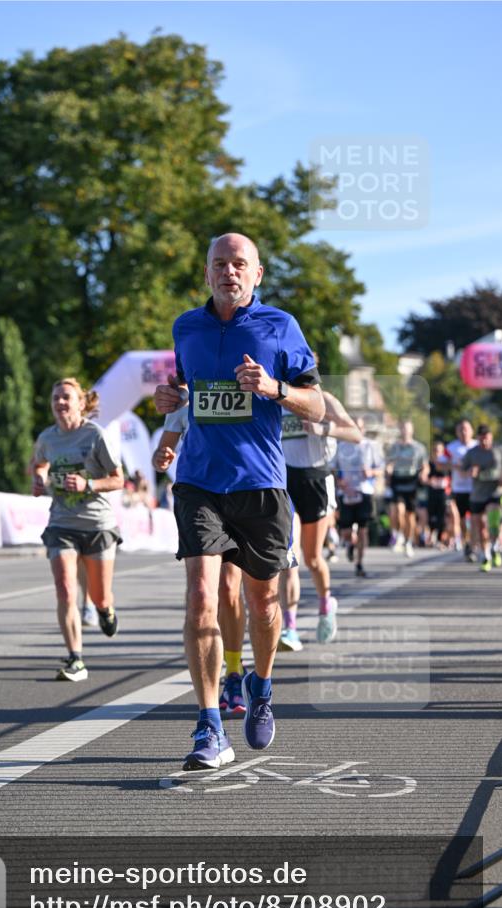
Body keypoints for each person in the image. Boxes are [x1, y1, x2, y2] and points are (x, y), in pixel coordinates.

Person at [155, 232, 324, 770]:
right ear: (206, 274)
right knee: (201, 597)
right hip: (200, 483)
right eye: (219, 264)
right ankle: (208, 727)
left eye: (239, 264)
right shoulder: (187, 327)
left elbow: (316, 405)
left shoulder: (281, 326)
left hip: (262, 486)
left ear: (257, 274)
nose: (229, 272)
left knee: (263, 605)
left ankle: (262, 684)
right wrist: (169, 405)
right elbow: (184, 394)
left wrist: (274, 388)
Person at [152, 404, 247, 717]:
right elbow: (163, 449)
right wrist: (162, 456)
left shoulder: (241, 381)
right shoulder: (183, 399)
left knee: (231, 590)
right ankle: (210, 710)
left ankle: (234, 670)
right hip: (199, 498)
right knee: (203, 594)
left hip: (243, 491)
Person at [32, 377, 124, 681]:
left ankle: (105, 610)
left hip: (97, 524)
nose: (60, 403)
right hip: (62, 522)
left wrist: (89, 484)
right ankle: (76, 659)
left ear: (81, 403)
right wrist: (39, 479)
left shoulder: (95, 435)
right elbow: (39, 464)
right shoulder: (48, 437)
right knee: (66, 589)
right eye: (55, 397)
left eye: (66, 397)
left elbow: (118, 479)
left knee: (99, 596)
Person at [278, 387, 361, 651]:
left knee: (313, 558)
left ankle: (326, 605)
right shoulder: (277, 396)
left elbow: (355, 434)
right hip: (285, 480)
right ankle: (289, 628)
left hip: (317, 480)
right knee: (289, 558)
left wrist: (325, 430)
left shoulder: (325, 400)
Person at [335, 417, 382, 578]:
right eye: (354, 427)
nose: (357, 430)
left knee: (363, 530)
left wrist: (371, 473)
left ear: (364, 429)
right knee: (347, 531)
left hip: (364, 491)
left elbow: (381, 468)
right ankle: (349, 544)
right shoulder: (341, 447)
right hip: (346, 493)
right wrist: (340, 482)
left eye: (360, 428)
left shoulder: (370, 446)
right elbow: (332, 469)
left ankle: (359, 563)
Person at [461, 424, 502, 572]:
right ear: (478, 438)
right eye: (482, 439)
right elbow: (462, 470)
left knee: (492, 522)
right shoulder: (472, 453)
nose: (484, 442)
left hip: (495, 493)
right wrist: (469, 472)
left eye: (487, 438)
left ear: (491, 437)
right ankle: (486, 556)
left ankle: (495, 547)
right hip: (477, 494)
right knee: (480, 526)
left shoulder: (499, 451)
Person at [385, 420, 429, 558]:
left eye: (407, 429)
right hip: (398, 480)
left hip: (412, 481)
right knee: (398, 510)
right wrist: (388, 470)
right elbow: (389, 463)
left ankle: (408, 541)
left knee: (410, 515)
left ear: (412, 431)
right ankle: (398, 535)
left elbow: (425, 465)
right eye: (403, 429)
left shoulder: (419, 448)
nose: (405, 431)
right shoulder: (395, 447)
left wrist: (424, 473)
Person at [446, 419, 478, 560]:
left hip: (476, 488)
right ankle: (468, 544)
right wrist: (455, 465)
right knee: (464, 520)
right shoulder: (451, 448)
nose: (464, 432)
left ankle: (475, 544)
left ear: (472, 431)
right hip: (459, 489)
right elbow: (439, 463)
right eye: (461, 429)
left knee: (477, 519)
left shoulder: (478, 446)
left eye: (466, 429)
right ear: (457, 432)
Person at [426, 440, 450, 548]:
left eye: (439, 451)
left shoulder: (446, 462)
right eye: (435, 450)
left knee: (442, 516)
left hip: (443, 492)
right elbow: (424, 477)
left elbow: (450, 476)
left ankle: (441, 539)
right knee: (431, 515)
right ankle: (431, 535)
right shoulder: (429, 463)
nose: (437, 453)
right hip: (432, 491)